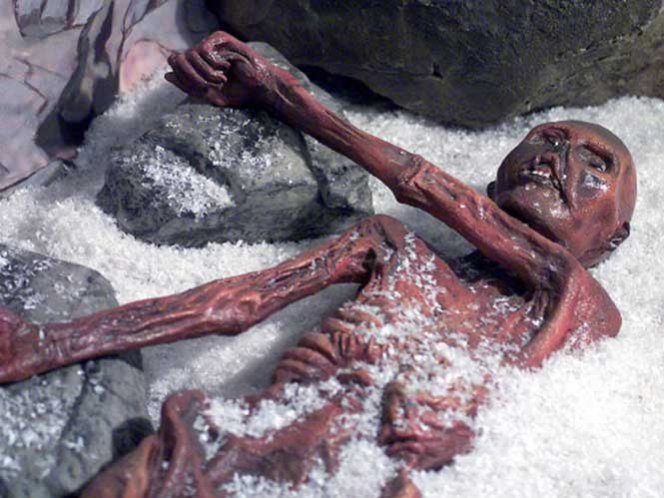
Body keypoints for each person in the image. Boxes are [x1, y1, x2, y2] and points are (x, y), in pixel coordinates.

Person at [0, 32, 636, 498]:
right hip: (223, 442)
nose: (558, 158)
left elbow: (421, 182)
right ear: (494, 185)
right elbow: (235, 303)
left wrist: (278, 91)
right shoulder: (393, 246)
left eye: (596, 163)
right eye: (549, 139)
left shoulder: (580, 304)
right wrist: (54, 342)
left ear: (612, 241)